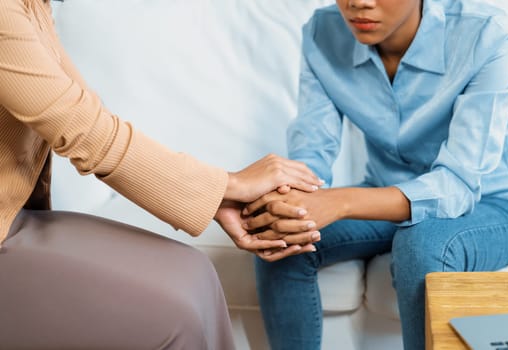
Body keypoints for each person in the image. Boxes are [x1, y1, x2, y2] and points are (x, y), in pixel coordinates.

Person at [0, 0, 322, 348]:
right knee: (174, 315)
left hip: (14, 217)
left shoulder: (31, 5)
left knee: (194, 272)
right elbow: (82, 131)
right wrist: (224, 186)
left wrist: (217, 199)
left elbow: (85, 109)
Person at [245, 0, 508, 349]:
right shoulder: (323, 32)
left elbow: (459, 185)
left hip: (491, 202)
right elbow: (311, 153)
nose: (359, 3)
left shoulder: (484, 34)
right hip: (384, 192)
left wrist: (341, 202)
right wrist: (291, 198)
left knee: (421, 243)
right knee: (282, 232)